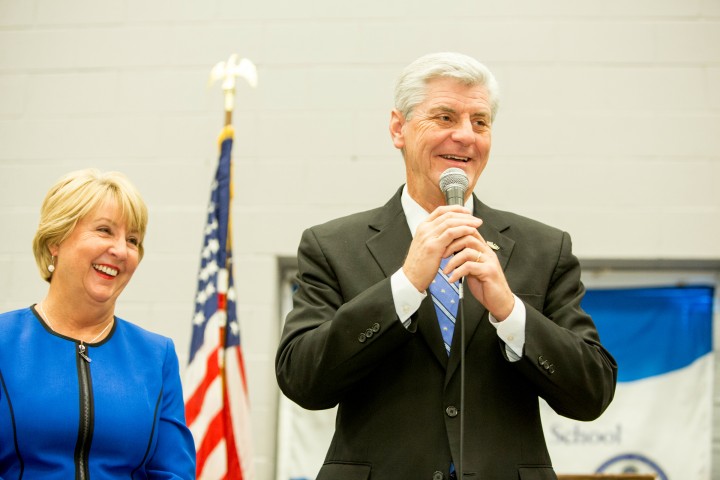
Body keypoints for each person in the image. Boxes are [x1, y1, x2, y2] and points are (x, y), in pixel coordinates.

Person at [275, 52, 617, 479]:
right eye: (444, 117)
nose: (465, 136)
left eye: (480, 122)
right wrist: (403, 287)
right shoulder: (332, 246)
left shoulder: (544, 249)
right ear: (399, 129)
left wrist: (511, 312)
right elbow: (302, 378)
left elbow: (592, 393)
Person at [0, 169, 195, 479]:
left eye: (133, 240)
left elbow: (172, 471)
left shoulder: (157, 356)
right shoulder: (4, 343)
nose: (121, 250)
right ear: (56, 240)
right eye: (104, 230)